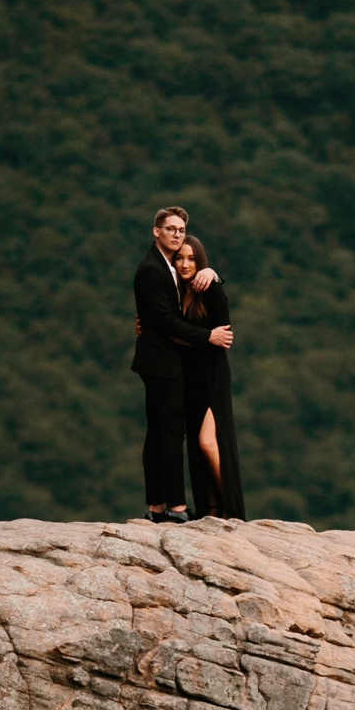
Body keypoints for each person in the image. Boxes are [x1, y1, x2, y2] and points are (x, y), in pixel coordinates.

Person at [131, 205, 232, 524]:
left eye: (181, 230)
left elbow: (189, 286)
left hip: (164, 361)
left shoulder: (171, 266)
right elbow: (166, 321)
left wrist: (214, 273)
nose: (176, 234)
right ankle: (174, 507)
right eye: (170, 229)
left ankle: (157, 506)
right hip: (161, 362)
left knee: (160, 432)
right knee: (170, 432)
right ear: (156, 231)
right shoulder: (151, 269)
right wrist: (209, 336)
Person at [173, 234, 247, 519]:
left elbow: (224, 336)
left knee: (208, 442)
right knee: (197, 446)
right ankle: (213, 509)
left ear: (200, 260)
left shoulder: (210, 287)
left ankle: (233, 508)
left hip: (213, 374)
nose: (185, 263)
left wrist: (214, 275)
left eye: (191, 258)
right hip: (189, 378)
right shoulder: (175, 293)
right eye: (179, 257)